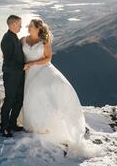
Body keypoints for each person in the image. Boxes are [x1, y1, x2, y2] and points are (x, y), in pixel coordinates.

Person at [21, 18, 87, 154]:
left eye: (31, 26)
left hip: (42, 71)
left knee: (39, 95)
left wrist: (32, 64)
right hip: (28, 74)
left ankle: (44, 126)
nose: (28, 27)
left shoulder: (45, 41)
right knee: (28, 97)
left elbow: (48, 58)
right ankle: (32, 125)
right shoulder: (22, 40)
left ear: (38, 28)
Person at [0, 14, 25, 137]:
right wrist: (23, 66)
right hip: (11, 75)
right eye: (19, 24)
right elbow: (9, 60)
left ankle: (12, 123)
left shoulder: (14, 36)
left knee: (19, 99)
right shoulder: (7, 39)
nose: (21, 27)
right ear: (13, 24)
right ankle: (3, 127)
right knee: (9, 100)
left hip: (19, 74)